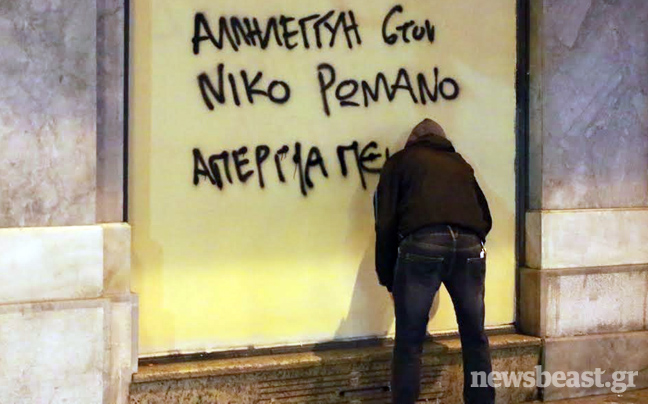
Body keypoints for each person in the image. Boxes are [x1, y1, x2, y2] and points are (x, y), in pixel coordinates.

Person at [374, 118, 495, 404]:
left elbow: (385, 223)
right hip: (469, 246)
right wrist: (470, 244)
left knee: (410, 339)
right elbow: (485, 216)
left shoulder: (400, 162)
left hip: (422, 243)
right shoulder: (461, 164)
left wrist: (389, 279)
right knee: (475, 336)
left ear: (412, 142)